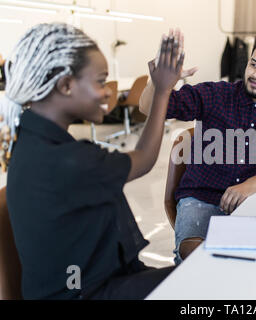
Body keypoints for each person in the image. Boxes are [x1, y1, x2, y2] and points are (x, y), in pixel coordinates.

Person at [0, 23, 184, 299]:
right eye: (100, 81)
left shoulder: (28, 142)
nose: (108, 91)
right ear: (65, 85)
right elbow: (145, 158)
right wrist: (161, 91)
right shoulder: (70, 161)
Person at [139, 33, 256, 265]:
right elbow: (147, 108)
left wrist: (251, 184)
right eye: (253, 65)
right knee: (194, 258)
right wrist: (158, 82)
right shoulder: (215, 94)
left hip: (245, 200)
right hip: (199, 198)